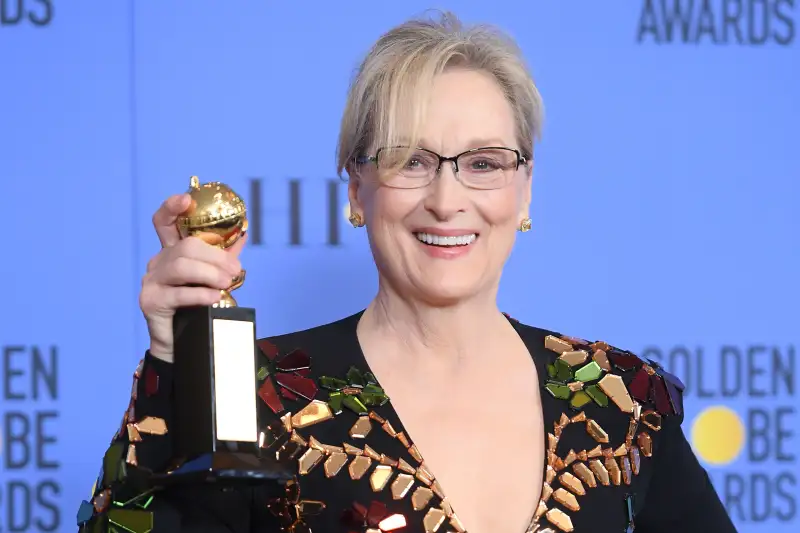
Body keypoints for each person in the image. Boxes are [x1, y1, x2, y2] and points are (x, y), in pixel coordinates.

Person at [77, 11, 737, 533]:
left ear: (525, 190)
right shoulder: (256, 396)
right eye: (409, 160)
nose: (447, 199)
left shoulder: (619, 400)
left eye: (483, 162)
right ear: (356, 189)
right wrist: (174, 365)